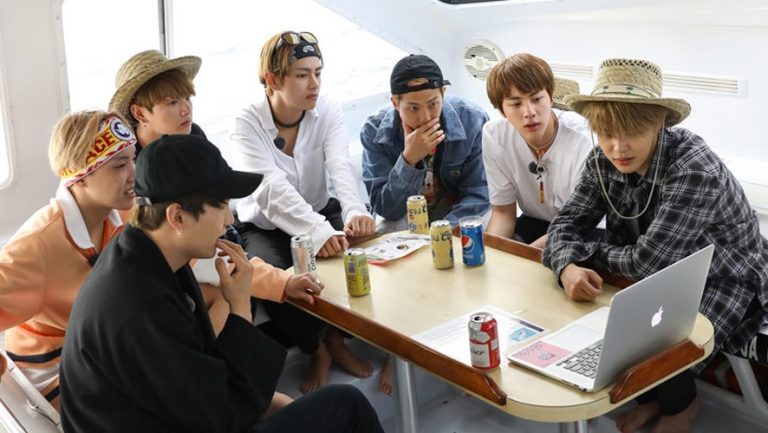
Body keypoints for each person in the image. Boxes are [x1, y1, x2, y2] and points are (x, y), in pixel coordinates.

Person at [59, 134, 385, 433]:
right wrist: (239, 306)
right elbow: (222, 416)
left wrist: (269, 402)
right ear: (177, 217)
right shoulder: (140, 305)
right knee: (347, 405)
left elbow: (204, 388)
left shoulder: (143, 254)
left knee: (327, 406)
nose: (230, 220)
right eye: (221, 206)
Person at [542, 58, 768, 433]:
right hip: (654, 267)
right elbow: (565, 225)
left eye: (632, 131)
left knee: (661, 334)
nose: (618, 147)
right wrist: (567, 267)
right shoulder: (601, 160)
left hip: (725, 274)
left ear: (658, 122)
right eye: (606, 133)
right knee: (602, 316)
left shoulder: (693, 167)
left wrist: (585, 253)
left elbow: (647, 262)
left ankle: (682, 407)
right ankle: (649, 399)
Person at [109, 49, 321, 410]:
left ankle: (299, 364)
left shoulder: (193, 138)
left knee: (291, 277)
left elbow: (218, 221)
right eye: (172, 102)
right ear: (140, 113)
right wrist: (276, 282)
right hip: (187, 265)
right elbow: (196, 255)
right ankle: (241, 397)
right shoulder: (133, 174)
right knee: (225, 291)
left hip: (213, 244)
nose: (185, 110)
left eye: (187, 99)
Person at [232, 31, 376, 393]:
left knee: (365, 254)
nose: (314, 83)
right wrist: (319, 232)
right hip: (265, 225)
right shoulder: (246, 122)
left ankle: (338, 339)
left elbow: (340, 164)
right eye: (302, 75)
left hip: (319, 209)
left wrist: (354, 210)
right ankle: (318, 349)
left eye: (318, 73)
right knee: (276, 284)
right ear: (272, 80)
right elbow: (269, 188)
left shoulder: (327, 109)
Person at [0, 111, 136, 407]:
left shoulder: (126, 214)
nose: (133, 174)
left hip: (98, 346)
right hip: (54, 372)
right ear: (81, 175)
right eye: (119, 165)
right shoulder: (37, 245)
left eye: (133, 160)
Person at [360, 53, 490, 231]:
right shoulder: (374, 130)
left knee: (486, 222)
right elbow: (387, 209)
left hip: (455, 210)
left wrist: (440, 233)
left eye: (433, 104)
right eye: (413, 108)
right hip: (406, 214)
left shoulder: (472, 119)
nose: (425, 117)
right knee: (386, 229)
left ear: (443, 93)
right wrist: (408, 160)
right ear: (395, 103)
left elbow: (479, 193)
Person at [482, 54, 592, 248]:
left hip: (584, 228)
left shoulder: (583, 139)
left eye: (536, 99)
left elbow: (576, 223)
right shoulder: (495, 136)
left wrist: (524, 257)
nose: (529, 112)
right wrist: (490, 254)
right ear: (501, 110)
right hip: (535, 222)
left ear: (550, 96)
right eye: (516, 104)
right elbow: (503, 213)